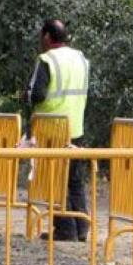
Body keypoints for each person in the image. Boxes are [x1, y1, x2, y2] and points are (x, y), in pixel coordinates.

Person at [25, 19, 90, 241]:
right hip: (76, 128)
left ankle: (65, 229)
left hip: (52, 129)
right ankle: (82, 228)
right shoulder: (80, 58)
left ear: (46, 37)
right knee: (74, 180)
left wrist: (25, 94)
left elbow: (37, 94)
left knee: (54, 180)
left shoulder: (46, 59)